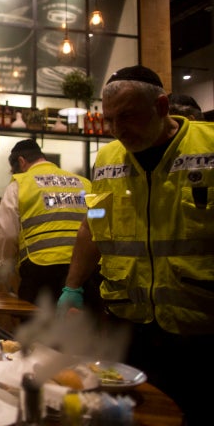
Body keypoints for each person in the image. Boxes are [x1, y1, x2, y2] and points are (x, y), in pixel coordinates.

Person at [57, 65, 214, 426]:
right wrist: (73, 286)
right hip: (128, 323)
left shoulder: (208, 148)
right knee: (128, 415)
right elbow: (94, 224)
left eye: (127, 117)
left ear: (161, 107)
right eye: (109, 119)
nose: (117, 130)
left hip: (199, 325)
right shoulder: (109, 159)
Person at [0, 139, 92, 308]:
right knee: (81, 331)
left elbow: (8, 233)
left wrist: (5, 265)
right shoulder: (84, 183)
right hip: (85, 269)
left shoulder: (20, 184)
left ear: (21, 161)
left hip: (41, 270)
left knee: (38, 331)